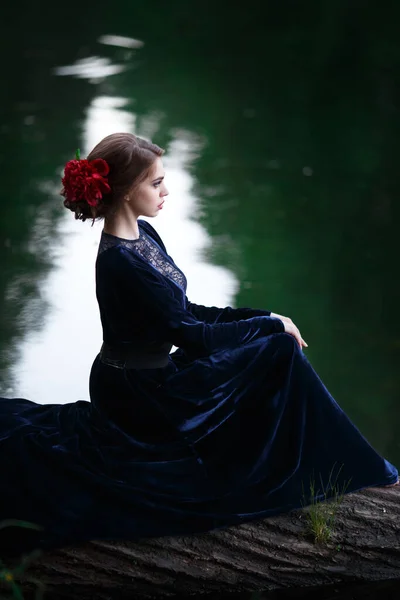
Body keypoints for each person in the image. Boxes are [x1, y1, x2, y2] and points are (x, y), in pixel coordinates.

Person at [0, 133, 397, 557]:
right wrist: (269, 328)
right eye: (156, 183)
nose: (166, 191)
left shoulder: (144, 235)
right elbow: (192, 336)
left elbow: (188, 310)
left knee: (273, 344)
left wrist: (265, 318)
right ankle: (350, 469)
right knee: (277, 352)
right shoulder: (120, 260)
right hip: (137, 393)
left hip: (153, 374)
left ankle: (330, 466)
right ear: (126, 189)